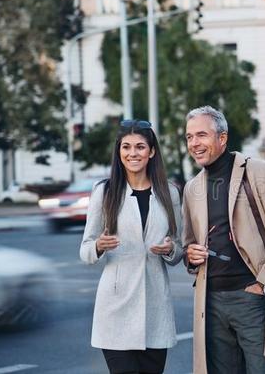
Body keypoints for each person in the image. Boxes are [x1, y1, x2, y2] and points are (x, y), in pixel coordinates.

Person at [182, 106, 265, 374]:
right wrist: (190, 255)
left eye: (201, 135)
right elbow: (188, 244)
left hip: (253, 299)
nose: (194, 143)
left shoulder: (260, 172)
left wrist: (264, 285)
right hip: (210, 303)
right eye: (189, 137)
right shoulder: (192, 188)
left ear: (222, 138)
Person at [80, 119, 184, 374]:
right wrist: (99, 246)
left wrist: (171, 249)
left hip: (156, 307)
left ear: (152, 152)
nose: (132, 153)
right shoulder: (104, 192)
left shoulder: (169, 193)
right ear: (119, 152)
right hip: (115, 308)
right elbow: (85, 249)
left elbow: (180, 246)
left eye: (139, 147)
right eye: (126, 147)